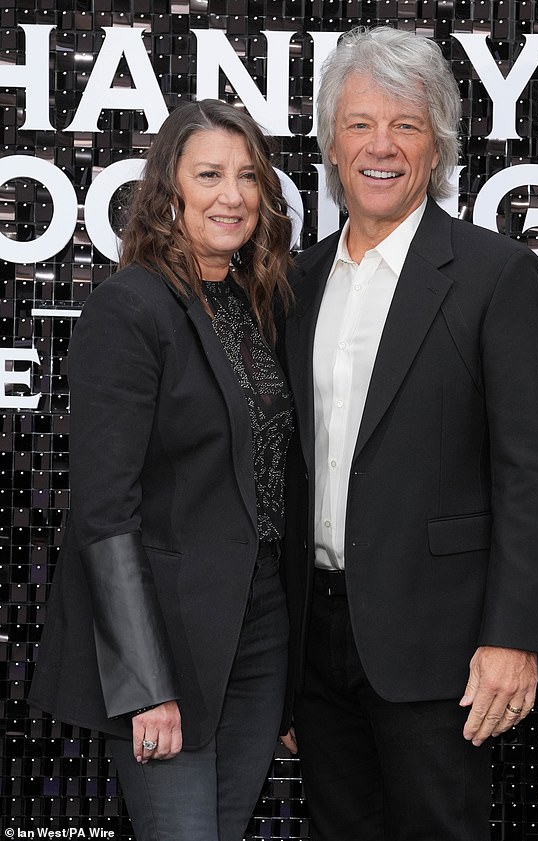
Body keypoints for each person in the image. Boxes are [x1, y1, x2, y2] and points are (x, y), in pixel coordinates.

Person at [279, 26, 538, 841]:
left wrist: (511, 635)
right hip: (315, 637)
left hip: (440, 644)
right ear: (331, 143)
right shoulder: (293, 281)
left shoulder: (493, 274)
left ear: (437, 146)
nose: (382, 145)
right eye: (361, 123)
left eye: (406, 125)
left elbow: (529, 471)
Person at [29, 98, 295, 841]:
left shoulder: (256, 302)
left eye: (248, 176)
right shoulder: (129, 308)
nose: (232, 195)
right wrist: (146, 686)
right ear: (168, 191)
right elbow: (104, 512)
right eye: (209, 174)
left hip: (260, 627)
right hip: (168, 639)